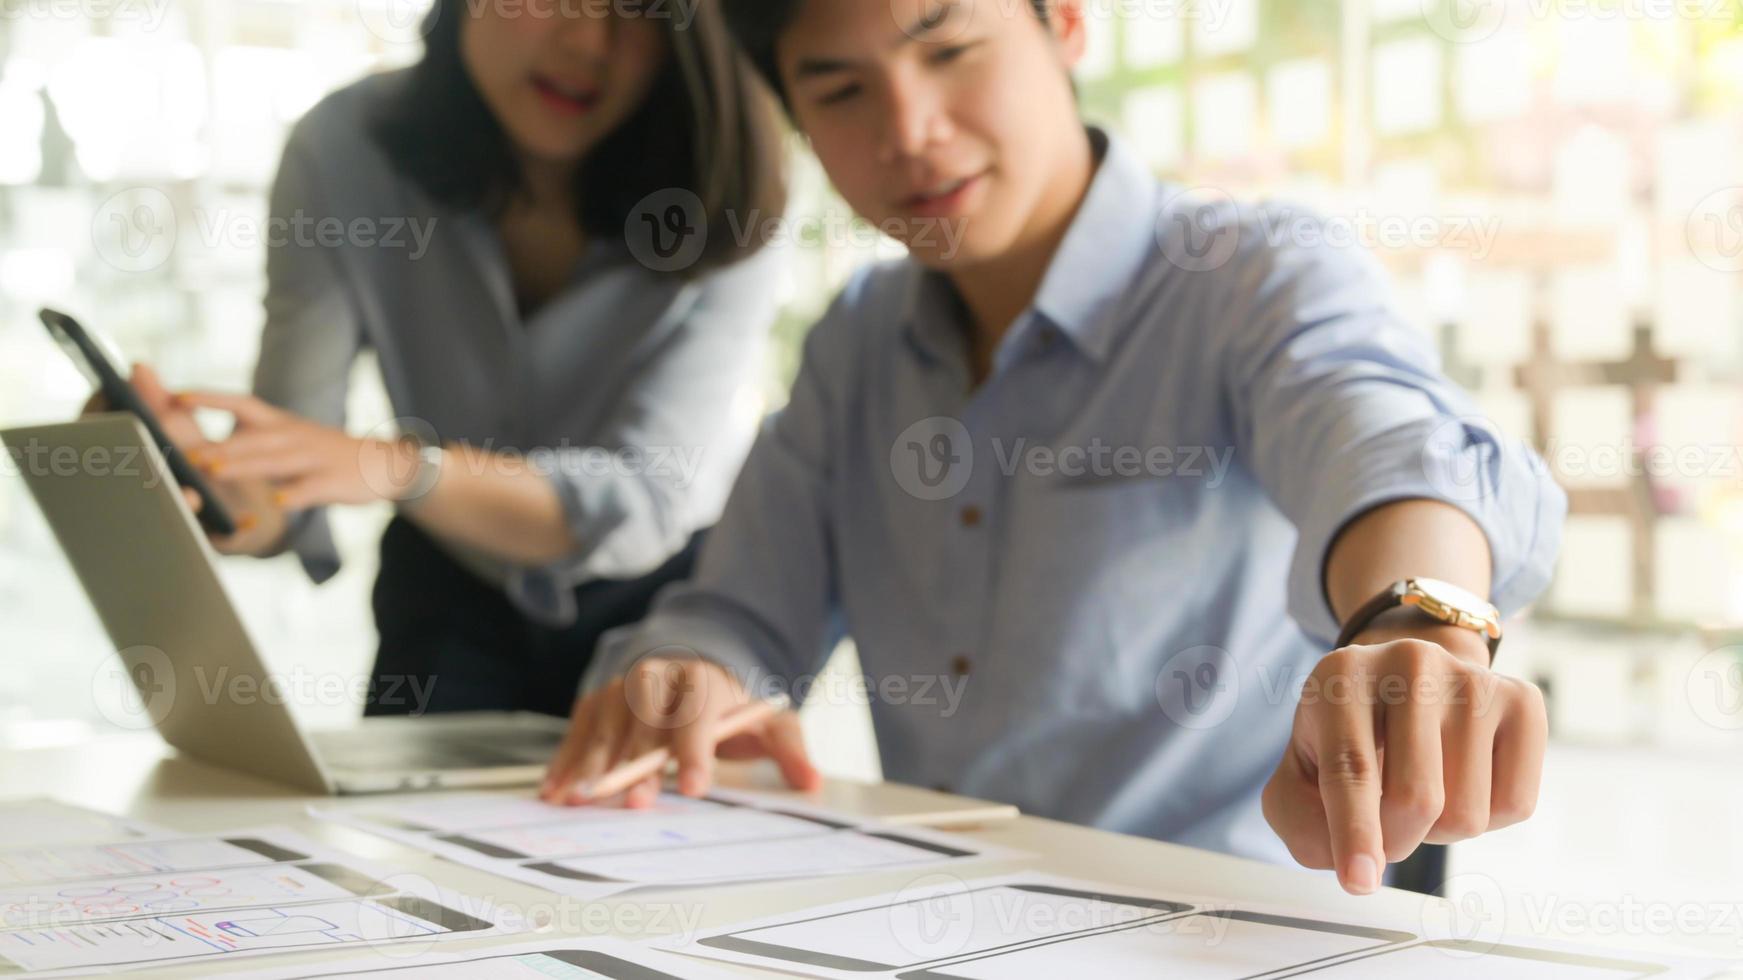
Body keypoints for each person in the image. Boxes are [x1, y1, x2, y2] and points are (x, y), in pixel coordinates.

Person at [540, 0, 1567, 897]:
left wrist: (1415, 623)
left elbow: (1390, 438)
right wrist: (695, 670)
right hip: (922, 915)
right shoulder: (857, 340)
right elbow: (741, 609)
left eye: (948, 49)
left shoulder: (1250, 276)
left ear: (1064, 20)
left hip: (1222, 929)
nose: (910, 130)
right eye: (842, 90)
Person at [120, 0, 788, 717]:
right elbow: (285, 480)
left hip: (666, 612)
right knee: (390, 824)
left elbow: (642, 503)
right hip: (448, 593)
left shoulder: (729, 186)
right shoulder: (344, 151)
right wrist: (207, 481)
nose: (589, 41)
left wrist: (400, 467)